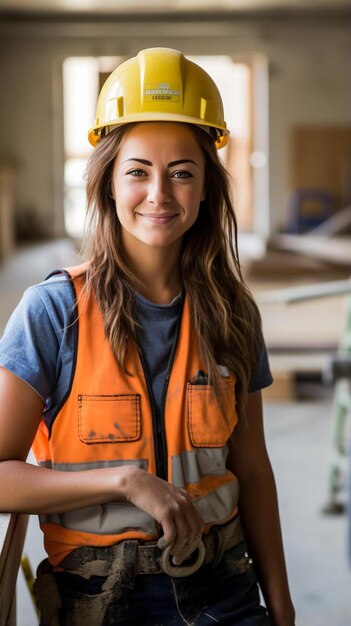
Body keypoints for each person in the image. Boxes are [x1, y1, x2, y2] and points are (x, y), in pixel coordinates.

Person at [0, 47, 295, 626]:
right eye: (137, 170)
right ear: (107, 182)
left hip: (226, 588)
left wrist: (280, 605)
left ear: (207, 186)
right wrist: (128, 482)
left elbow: (253, 467)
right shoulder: (53, 313)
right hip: (101, 597)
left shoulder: (234, 313)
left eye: (182, 172)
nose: (159, 193)